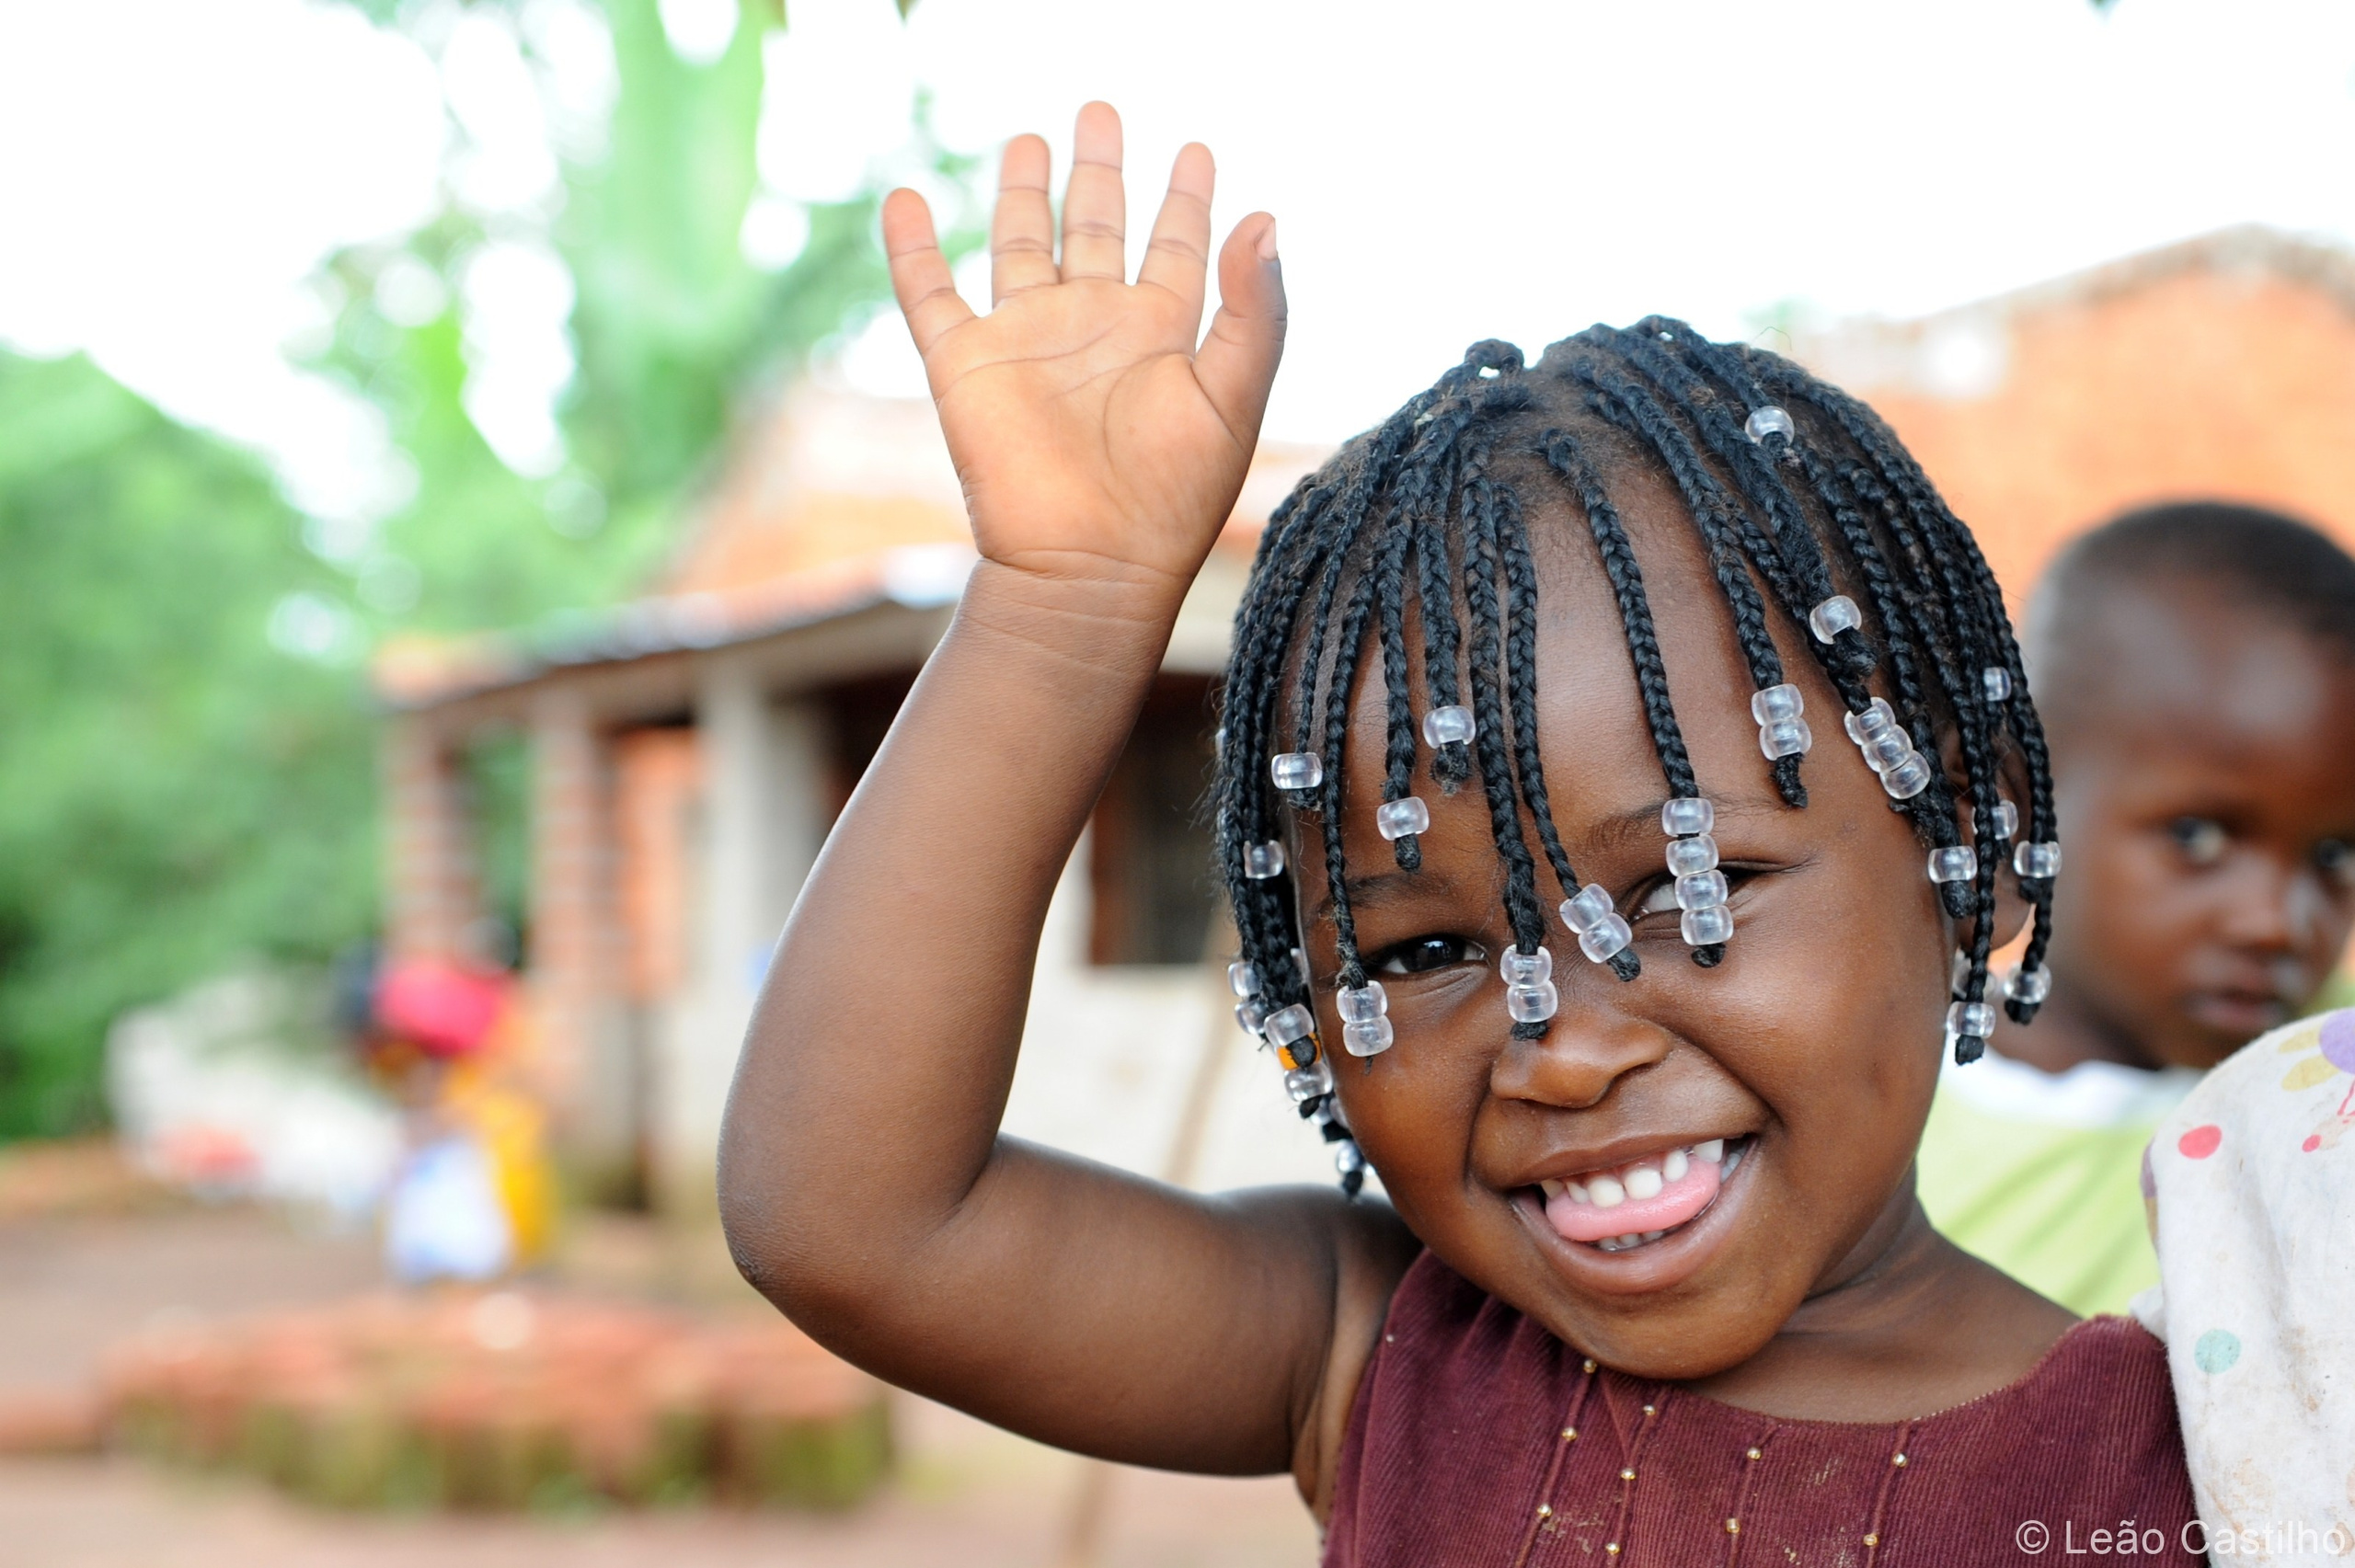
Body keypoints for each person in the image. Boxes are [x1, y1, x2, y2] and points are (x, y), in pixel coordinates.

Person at [718, 103, 2198, 1562]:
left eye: (1691, 888)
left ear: (1976, 832)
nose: (1565, 1044)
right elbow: (849, 1221)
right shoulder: (1375, 1356)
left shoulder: (2198, 1471)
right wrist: (1062, 603)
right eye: (1425, 947)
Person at [1916, 504, 2355, 1316]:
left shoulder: (2328, 1070)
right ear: (2019, 799)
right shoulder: (1899, 1105)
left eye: (2336, 856)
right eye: (2198, 837)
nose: (2276, 921)